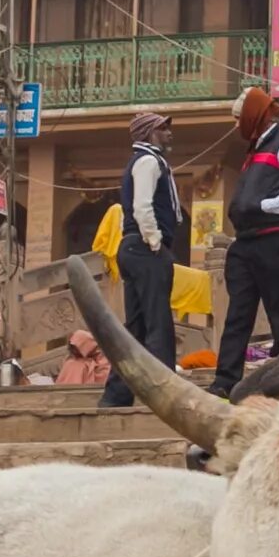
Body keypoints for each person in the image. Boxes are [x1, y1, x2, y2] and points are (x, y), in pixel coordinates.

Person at [213, 85, 279, 399]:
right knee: (237, 314)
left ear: (253, 115)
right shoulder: (254, 150)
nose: (236, 125)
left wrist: (266, 206)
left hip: (273, 240)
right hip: (244, 243)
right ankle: (225, 381)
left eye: (238, 118)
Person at [103, 110, 186, 410]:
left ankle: (116, 396)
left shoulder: (144, 161)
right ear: (149, 133)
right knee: (158, 322)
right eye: (164, 129)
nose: (169, 133)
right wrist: (155, 241)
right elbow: (142, 206)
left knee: (136, 329)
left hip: (132, 249)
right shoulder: (149, 161)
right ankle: (167, 392)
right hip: (144, 247)